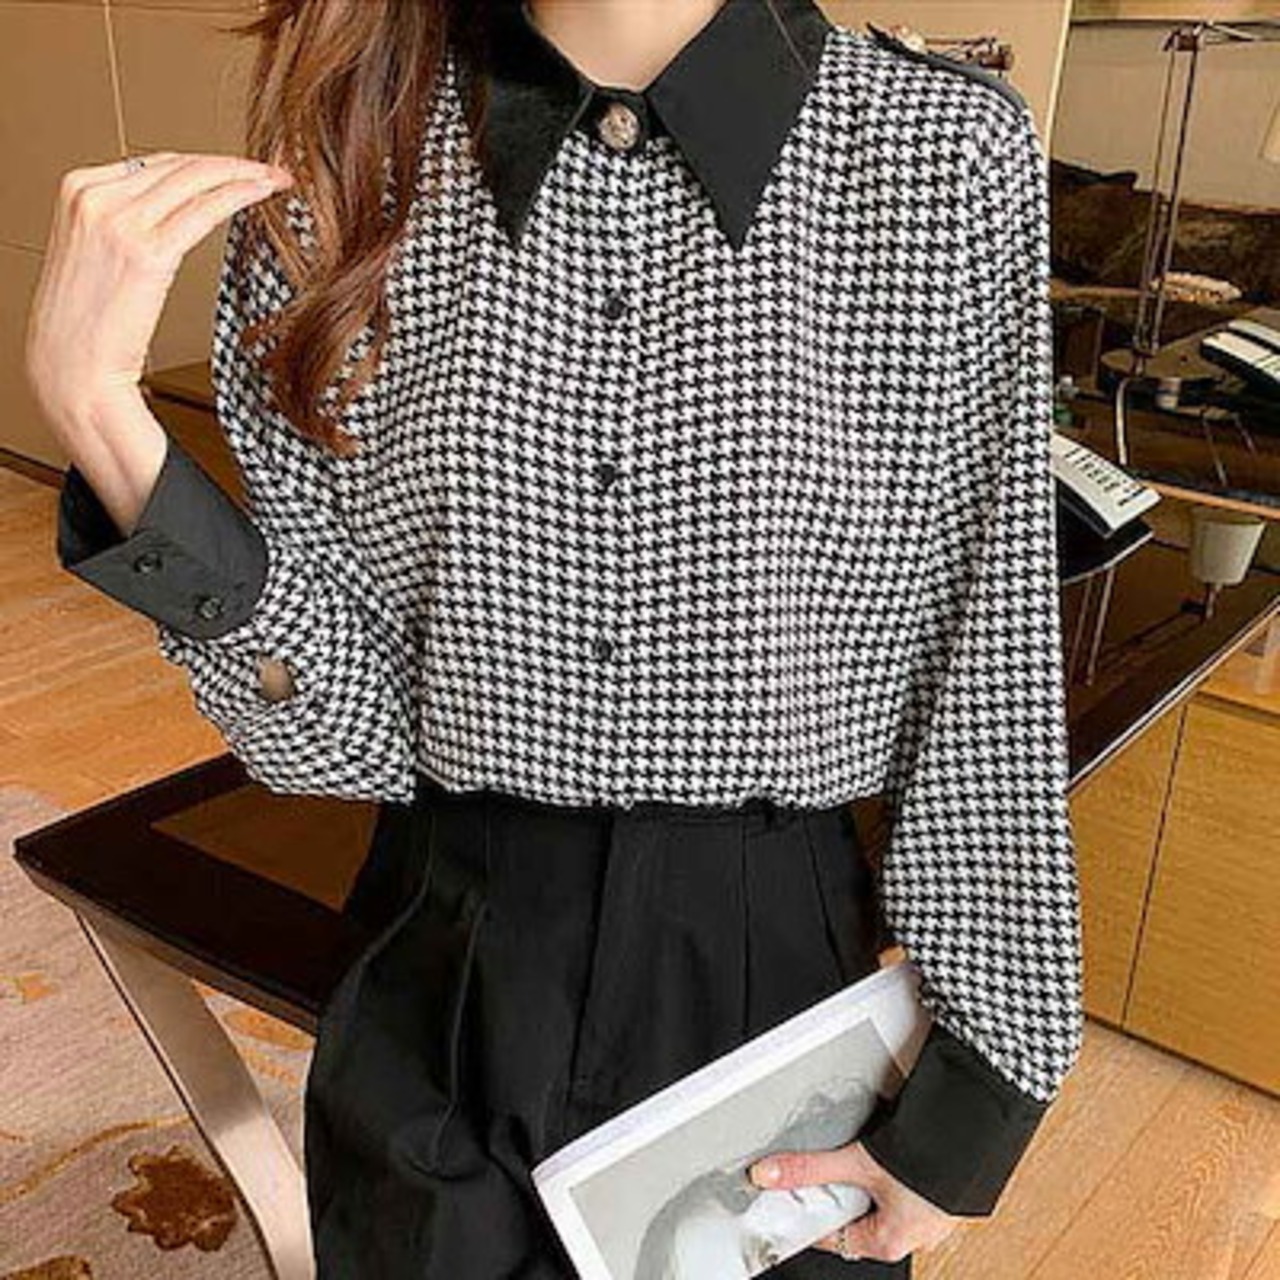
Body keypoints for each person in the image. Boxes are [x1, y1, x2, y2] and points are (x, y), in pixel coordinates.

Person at [27, 0, 1086, 1275]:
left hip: (769, 985)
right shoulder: (348, 158)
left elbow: (990, 656)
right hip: (443, 959)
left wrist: (980, 1089)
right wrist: (105, 421)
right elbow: (341, 736)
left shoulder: (937, 153)